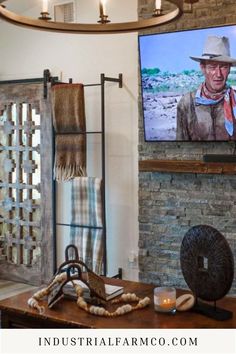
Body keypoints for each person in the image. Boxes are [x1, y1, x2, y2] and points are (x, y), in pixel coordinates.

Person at [176, 35, 236, 141]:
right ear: (203, 68)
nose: (218, 74)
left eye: (223, 67)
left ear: (229, 69)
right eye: (212, 67)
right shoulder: (187, 103)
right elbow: (180, 145)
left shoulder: (235, 99)